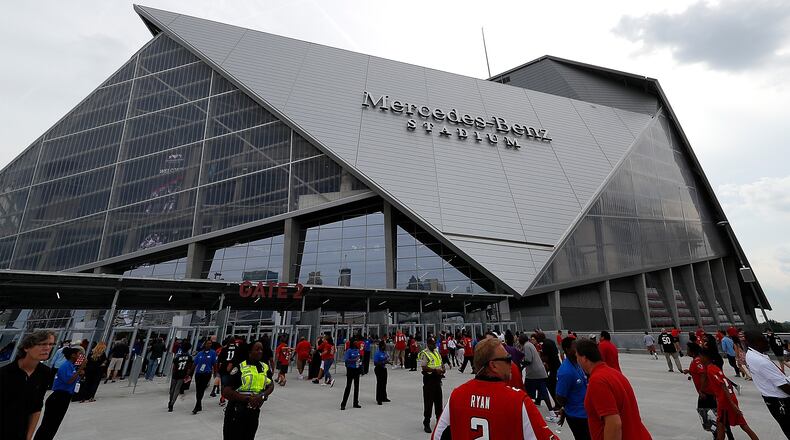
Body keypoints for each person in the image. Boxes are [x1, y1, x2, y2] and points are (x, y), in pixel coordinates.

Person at [432, 337, 558, 439]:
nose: (511, 363)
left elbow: (437, 436)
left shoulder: (457, 395)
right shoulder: (518, 401)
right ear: (493, 365)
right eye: (507, 359)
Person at [575, 339, 651, 439]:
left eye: (577, 357)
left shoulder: (597, 381)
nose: (576, 360)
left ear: (584, 358)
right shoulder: (614, 373)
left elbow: (614, 424)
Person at [1, 330, 55, 440]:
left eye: (50, 344)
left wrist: (29, 437)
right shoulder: (5, 373)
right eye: (42, 344)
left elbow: (36, 406)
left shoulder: (45, 373)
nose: (47, 348)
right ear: (26, 348)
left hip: (21, 432)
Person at [699, 348, 759, 440]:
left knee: (725, 425)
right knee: (728, 425)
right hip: (729, 398)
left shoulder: (711, 369)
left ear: (706, 357)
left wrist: (732, 404)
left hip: (725, 402)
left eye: (701, 356)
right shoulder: (715, 368)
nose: (700, 359)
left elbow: (722, 384)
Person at [222, 341, 275, 440]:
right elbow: (226, 392)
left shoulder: (264, 367)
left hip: (253, 413)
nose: (260, 352)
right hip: (236, 412)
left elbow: (271, 385)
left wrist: (262, 396)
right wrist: (248, 399)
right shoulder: (240, 367)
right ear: (250, 352)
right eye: (257, 349)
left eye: (261, 349)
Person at [744, 330, 790, 437]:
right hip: (780, 401)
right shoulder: (760, 361)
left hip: (772, 399)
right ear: (754, 343)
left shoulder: (751, 355)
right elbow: (784, 387)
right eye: (764, 341)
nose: (768, 343)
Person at [684, 343, 734, 440]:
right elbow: (700, 372)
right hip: (707, 393)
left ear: (692, 351)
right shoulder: (697, 360)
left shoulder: (697, 360)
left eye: (688, 349)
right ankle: (724, 434)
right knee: (715, 414)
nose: (687, 351)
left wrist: (701, 390)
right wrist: (690, 371)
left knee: (707, 414)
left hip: (707, 393)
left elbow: (703, 374)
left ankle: (718, 434)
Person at [33, 347, 83, 440]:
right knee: (48, 424)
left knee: (54, 425)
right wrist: (80, 370)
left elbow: (76, 374)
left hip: (66, 397)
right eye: (79, 354)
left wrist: (80, 370)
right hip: (58, 397)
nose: (81, 356)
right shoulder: (65, 366)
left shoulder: (72, 366)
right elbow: (68, 380)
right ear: (73, 355)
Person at [556, 337, 591, 440]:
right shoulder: (566, 371)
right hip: (577, 416)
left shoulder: (577, 364)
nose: (577, 348)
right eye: (574, 346)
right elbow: (560, 396)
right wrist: (567, 408)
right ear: (567, 349)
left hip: (585, 413)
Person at [523, 333, 555, 415]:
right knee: (543, 391)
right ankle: (551, 412)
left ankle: (530, 412)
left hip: (533, 373)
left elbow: (528, 360)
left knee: (527, 392)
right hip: (541, 372)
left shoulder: (526, 346)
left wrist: (521, 365)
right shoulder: (531, 345)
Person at [419, 336, 445, 433]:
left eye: (434, 343)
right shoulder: (425, 353)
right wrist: (435, 370)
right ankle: (426, 422)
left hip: (437, 379)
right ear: (428, 344)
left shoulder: (436, 352)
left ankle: (440, 421)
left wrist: (442, 368)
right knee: (429, 402)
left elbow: (440, 362)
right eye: (432, 344)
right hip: (429, 379)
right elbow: (424, 367)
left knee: (439, 402)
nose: (434, 345)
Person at [192, 340, 218, 414]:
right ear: (205, 344)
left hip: (207, 373)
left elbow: (214, 363)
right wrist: (189, 373)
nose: (209, 345)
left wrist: (215, 373)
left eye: (210, 343)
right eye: (208, 343)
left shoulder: (213, 353)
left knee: (202, 388)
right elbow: (195, 364)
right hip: (199, 373)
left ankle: (197, 405)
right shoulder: (200, 353)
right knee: (198, 389)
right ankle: (198, 404)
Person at [168, 341, 193, 412]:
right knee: (177, 389)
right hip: (182, 375)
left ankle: (170, 401)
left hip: (175, 374)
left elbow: (174, 366)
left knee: (172, 389)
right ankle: (172, 404)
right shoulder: (189, 357)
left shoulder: (177, 356)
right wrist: (187, 375)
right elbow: (189, 367)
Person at [340, 336, 362, 410]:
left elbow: (359, 359)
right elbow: (346, 360)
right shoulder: (349, 351)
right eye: (355, 342)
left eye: (357, 342)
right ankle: (343, 404)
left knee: (357, 387)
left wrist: (360, 366)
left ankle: (355, 402)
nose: (356, 343)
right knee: (348, 387)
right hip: (350, 370)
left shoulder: (357, 350)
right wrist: (353, 360)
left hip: (356, 369)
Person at [373, 339, 391, 405]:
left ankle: (384, 397)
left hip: (384, 368)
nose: (385, 347)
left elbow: (386, 359)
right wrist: (384, 362)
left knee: (384, 383)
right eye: (385, 345)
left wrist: (388, 361)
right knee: (380, 384)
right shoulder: (377, 353)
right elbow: (375, 363)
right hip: (379, 369)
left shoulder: (384, 352)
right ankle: (379, 399)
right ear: (382, 346)